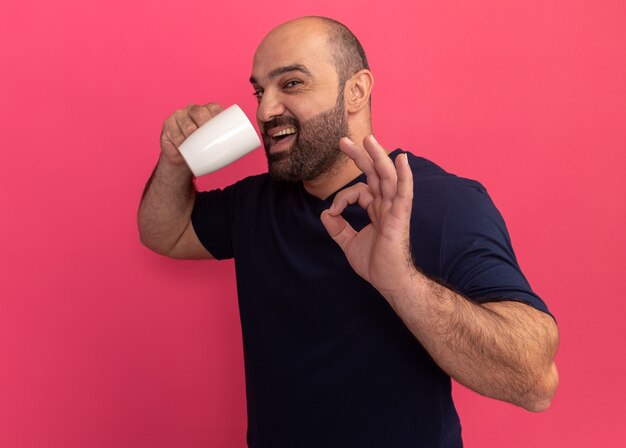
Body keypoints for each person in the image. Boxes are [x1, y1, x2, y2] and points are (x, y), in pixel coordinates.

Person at [138, 16, 559, 448]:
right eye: (260, 91)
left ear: (356, 90)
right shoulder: (255, 202)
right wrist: (175, 161)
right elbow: (164, 233)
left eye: (293, 84)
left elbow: (535, 382)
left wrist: (401, 284)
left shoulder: (443, 203)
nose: (265, 110)